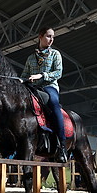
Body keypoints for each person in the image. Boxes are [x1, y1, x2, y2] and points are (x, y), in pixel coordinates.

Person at [21, 27, 66, 163]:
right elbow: (24, 75)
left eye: (53, 37)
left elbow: (58, 72)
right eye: (48, 36)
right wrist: (21, 80)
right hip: (33, 88)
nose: (51, 39)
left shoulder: (55, 54)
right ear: (40, 36)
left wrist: (41, 75)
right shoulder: (30, 58)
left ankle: (62, 145)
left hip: (49, 87)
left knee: (53, 103)